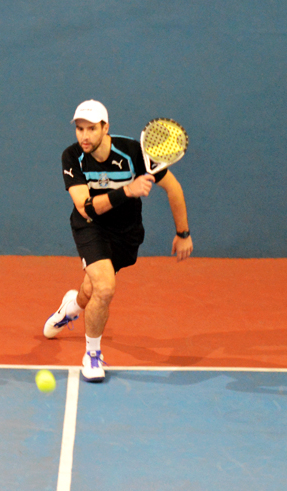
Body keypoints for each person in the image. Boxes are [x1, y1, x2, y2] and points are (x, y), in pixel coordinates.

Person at [43, 100, 193, 382]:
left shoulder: (133, 153)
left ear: (105, 127)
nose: (84, 136)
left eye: (91, 129)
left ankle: (71, 307)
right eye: (79, 129)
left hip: (126, 233)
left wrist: (183, 233)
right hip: (91, 227)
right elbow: (84, 206)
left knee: (90, 291)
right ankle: (92, 355)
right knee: (105, 287)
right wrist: (128, 190)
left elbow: (173, 188)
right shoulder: (71, 157)